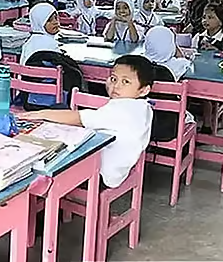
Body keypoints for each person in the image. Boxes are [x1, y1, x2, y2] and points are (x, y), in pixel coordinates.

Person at [17, 55, 154, 188]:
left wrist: (40, 114)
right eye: (113, 79)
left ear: (144, 90)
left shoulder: (124, 109)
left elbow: (79, 118)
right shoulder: (143, 107)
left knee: (41, 161)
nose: (116, 86)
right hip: (117, 169)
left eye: (126, 82)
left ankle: (36, 192)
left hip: (100, 175)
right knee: (60, 120)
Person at [143, 26, 195, 142]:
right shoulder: (179, 65)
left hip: (140, 120)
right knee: (190, 116)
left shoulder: (140, 64)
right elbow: (185, 60)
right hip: (168, 125)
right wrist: (175, 45)